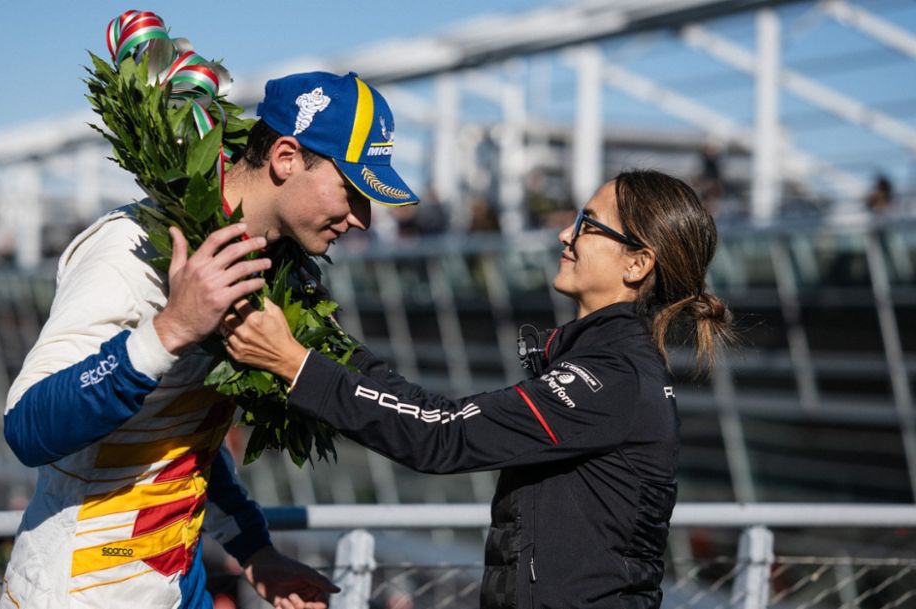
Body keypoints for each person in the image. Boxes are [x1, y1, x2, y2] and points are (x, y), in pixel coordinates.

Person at [0, 71, 419, 609]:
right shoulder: (127, 248)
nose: (362, 219)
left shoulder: (270, 269)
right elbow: (25, 425)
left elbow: (181, 439)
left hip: (177, 588)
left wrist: (254, 551)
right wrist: (170, 329)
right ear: (286, 158)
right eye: (352, 190)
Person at [223, 170, 734, 609]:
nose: (564, 235)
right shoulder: (611, 365)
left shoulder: (613, 378)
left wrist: (297, 364)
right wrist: (323, 339)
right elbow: (431, 415)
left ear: (636, 264)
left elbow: (441, 435)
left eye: (587, 224)